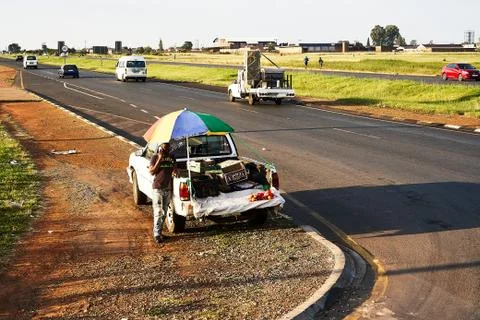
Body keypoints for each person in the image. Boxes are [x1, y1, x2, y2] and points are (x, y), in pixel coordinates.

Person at [149, 142, 176, 244]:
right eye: (165, 148)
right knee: (158, 212)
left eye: (168, 147)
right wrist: (159, 159)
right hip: (158, 188)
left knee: (164, 212)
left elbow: (174, 169)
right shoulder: (155, 157)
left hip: (168, 189)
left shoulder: (172, 157)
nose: (167, 150)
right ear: (160, 148)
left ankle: (159, 232)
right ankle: (156, 234)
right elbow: (151, 171)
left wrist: (175, 170)